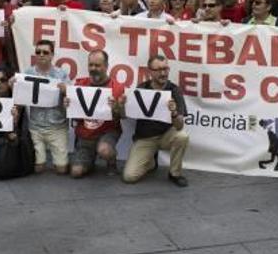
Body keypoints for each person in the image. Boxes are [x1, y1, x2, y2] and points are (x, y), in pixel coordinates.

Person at [122, 55, 189, 187]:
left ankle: (175, 173)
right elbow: (124, 116)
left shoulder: (174, 90)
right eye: (158, 70)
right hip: (145, 139)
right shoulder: (141, 89)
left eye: (165, 69)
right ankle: (151, 161)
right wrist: (122, 105)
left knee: (182, 136)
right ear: (150, 71)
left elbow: (179, 126)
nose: (163, 73)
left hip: (166, 136)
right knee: (129, 177)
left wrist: (174, 112)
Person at [68, 50, 123, 178]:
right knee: (76, 172)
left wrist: (116, 108)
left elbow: (120, 118)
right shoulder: (79, 85)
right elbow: (75, 116)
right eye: (91, 65)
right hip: (85, 135)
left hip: (107, 131)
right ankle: (89, 160)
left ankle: (111, 162)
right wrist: (68, 105)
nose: (93, 68)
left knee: (104, 149)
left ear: (106, 66)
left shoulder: (117, 87)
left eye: (97, 65)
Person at [22, 40, 70, 174]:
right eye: (38, 52)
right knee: (38, 168)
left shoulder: (61, 74)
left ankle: (59, 159)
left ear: (52, 55)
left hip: (57, 127)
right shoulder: (28, 73)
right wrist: (11, 83)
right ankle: (40, 158)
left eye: (45, 52)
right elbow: (19, 94)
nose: (41, 55)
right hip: (36, 127)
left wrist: (66, 90)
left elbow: (72, 96)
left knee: (61, 170)